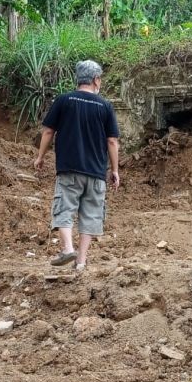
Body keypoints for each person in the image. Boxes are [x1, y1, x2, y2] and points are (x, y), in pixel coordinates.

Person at [34, 60, 120, 270]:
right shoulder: (105, 106)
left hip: (69, 169)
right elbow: (112, 141)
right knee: (91, 214)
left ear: (78, 79)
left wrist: (40, 156)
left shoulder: (64, 100)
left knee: (64, 208)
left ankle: (67, 249)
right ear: (96, 80)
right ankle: (80, 261)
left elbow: (48, 131)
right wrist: (115, 170)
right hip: (96, 172)